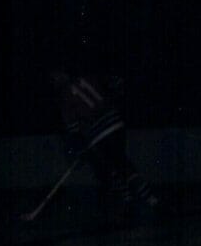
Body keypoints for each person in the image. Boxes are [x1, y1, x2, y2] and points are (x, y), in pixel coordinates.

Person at [50, 69, 159, 216]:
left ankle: (148, 199)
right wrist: (112, 101)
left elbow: (73, 128)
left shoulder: (65, 96)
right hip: (115, 123)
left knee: (118, 166)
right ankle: (132, 200)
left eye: (55, 78)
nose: (55, 81)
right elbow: (117, 81)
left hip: (100, 134)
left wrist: (78, 146)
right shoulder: (89, 76)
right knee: (117, 165)